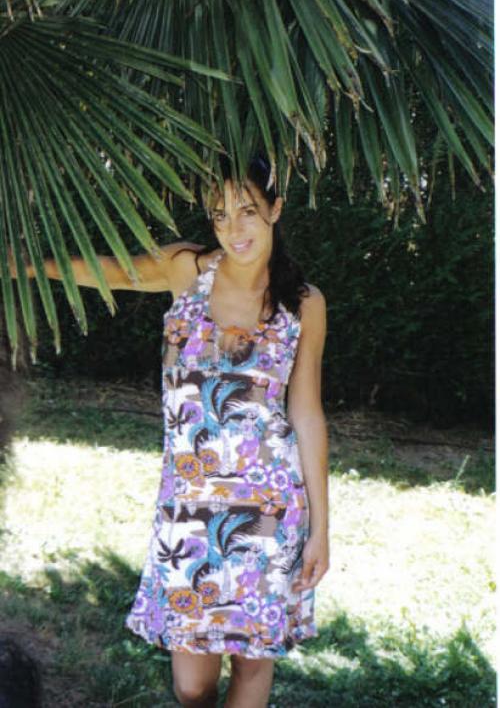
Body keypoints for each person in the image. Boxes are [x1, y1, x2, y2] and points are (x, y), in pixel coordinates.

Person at [9, 153, 330, 707]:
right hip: (189, 505)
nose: (234, 228)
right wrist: (25, 265)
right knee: (191, 685)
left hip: (270, 509)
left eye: (247, 211)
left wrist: (321, 529)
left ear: (275, 210)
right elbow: (106, 270)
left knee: (252, 662)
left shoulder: (302, 304)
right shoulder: (187, 271)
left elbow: (306, 413)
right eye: (220, 215)